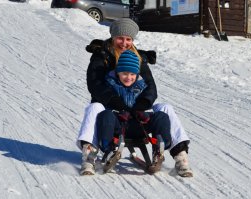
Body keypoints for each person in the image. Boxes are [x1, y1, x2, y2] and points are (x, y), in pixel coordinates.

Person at [77, 18, 192, 177]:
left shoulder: (138, 57)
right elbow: (94, 84)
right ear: (113, 37)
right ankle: (89, 157)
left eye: (128, 39)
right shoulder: (101, 55)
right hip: (110, 107)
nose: (124, 43)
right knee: (94, 108)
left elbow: (150, 84)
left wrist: (144, 101)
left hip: (136, 110)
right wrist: (113, 100)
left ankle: (180, 156)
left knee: (166, 108)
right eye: (120, 38)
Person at [96, 50, 171, 173]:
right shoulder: (110, 83)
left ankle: (159, 149)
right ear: (118, 72)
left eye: (132, 74)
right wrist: (117, 108)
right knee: (106, 115)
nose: (129, 77)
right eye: (124, 73)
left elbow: (150, 96)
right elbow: (105, 98)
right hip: (118, 125)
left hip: (139, 124)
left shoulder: (142, 85)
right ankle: (109, 149)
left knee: (161, 116)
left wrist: (141, 109)